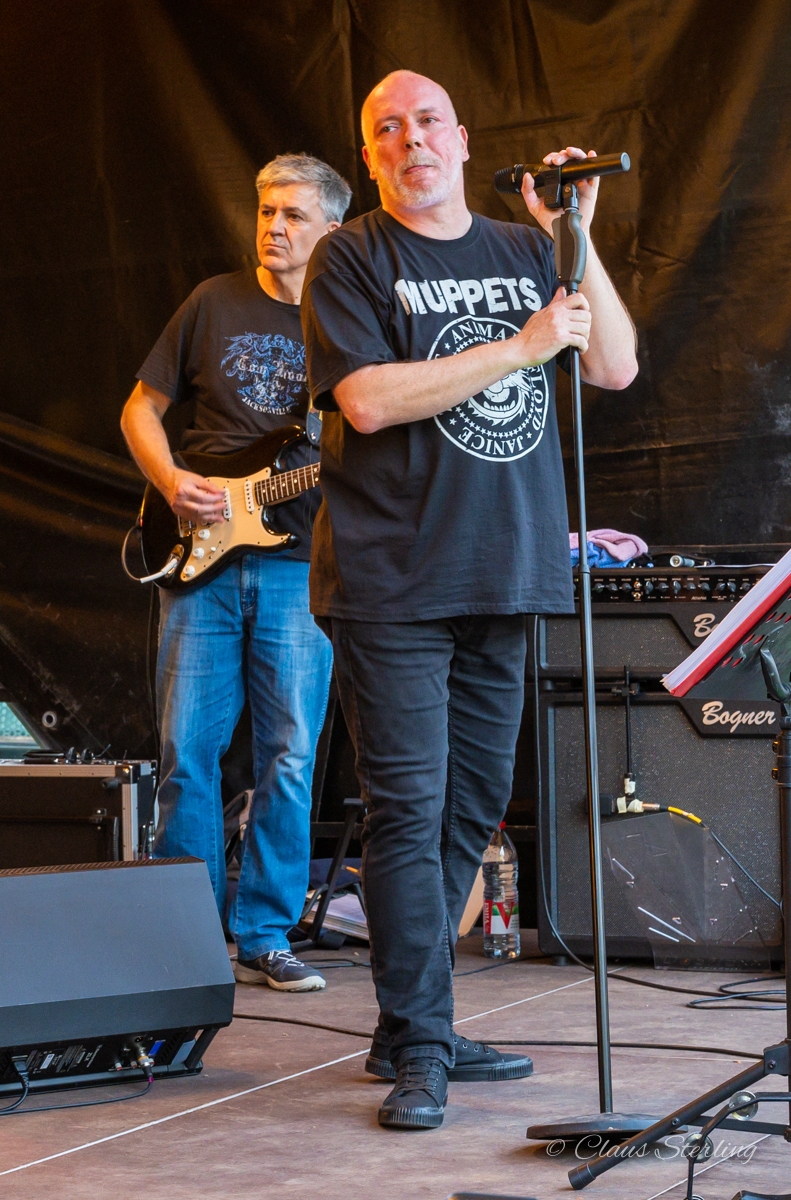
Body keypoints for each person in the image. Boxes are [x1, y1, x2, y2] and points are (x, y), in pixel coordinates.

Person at [301, 71, 637, 1126]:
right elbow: (366, 399)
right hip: (394, 577)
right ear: (371, 158)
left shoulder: (525, 250)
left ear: (461, 138)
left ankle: (414, 1025)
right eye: (387, 130)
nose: (412, 140)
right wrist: (523, 346)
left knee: (467, 807)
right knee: (408, 809)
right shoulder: (352, 257)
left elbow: (615, 364)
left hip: (506, 570)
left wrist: (575, 234)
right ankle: (421, 1049)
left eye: (427, 122)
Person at [121, 154, 352, 993]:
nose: (274, 227)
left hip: (299, 566)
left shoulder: (347, 316)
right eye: (265, 211)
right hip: (200, 557)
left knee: (290, 754)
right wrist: (168, 481)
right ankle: (184, 937)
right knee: (188, 750)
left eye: (293, 214)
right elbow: (140, 409)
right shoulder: (212, 302)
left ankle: (264, 934)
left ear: (331, 229)